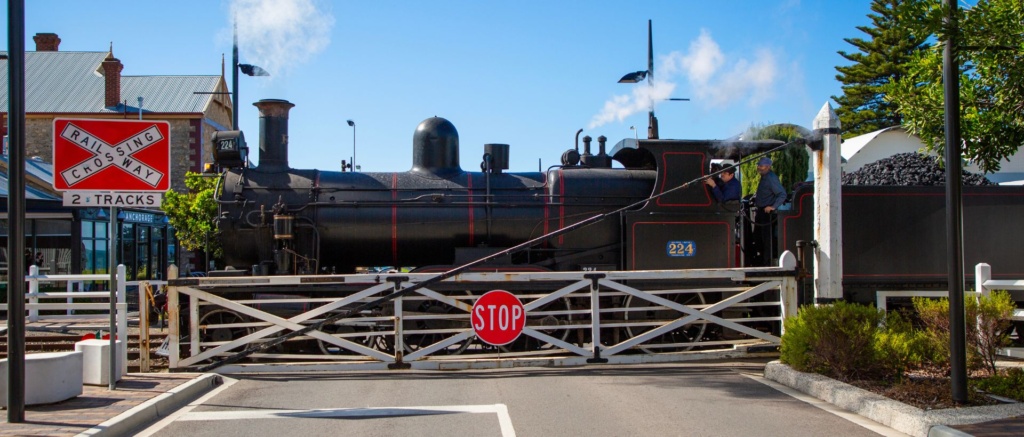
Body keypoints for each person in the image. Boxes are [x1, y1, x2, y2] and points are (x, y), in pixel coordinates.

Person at [754, 157, 787, 266]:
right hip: (761, 211)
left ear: (768, 167)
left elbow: (782, 194)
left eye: (761, 166)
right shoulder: (764, 177)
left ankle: (767, 262)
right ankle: (761, 261)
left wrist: (773, 206)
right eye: (759, 165)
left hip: (767, 214)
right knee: (759, 237)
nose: (759, 167)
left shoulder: (771, 178)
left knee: (766, 239)